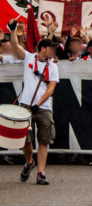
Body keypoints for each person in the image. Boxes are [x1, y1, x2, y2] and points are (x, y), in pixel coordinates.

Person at [8, 19, 58, 185]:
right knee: (25, 140)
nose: (53, 52)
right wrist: (13, 30)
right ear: (43, 49)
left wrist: (39, 103)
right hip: (25, 106)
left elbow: (51, 88)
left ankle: (41, 172)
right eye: (51, 49)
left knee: (44, 140)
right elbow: (15, 46)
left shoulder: (53, 66)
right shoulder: (29, 58)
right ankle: (29, 162)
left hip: (43, 107)